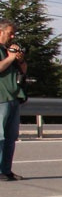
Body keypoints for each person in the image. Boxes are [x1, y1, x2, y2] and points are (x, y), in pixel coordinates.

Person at [0, 20, 27, 181]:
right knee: (0, 137)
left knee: (11, 137)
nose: (13, 36)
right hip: (1, 99)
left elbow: (23, 70)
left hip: (14, 98)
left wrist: (20, 59)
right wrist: (10, 58)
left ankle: (6, 170)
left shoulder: (8, 50)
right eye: (10, 32)